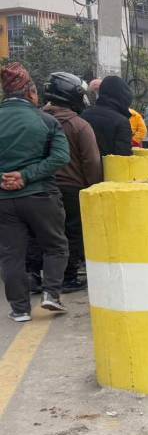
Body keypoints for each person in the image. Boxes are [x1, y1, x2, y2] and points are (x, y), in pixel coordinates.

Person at [0, 63, 70, 321]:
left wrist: (5, 179)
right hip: (41, 195)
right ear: (30, 92)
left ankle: (19, 310)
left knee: (11, 254)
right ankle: (51, 295)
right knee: (55, 245)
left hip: (4, 200)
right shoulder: (47, 121)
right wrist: (27, 175)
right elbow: (61, 157)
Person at [31, 72, 103, 293]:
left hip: (39, 186)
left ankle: (33, 275)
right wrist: (93, 188)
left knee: (39, 232)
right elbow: (91, 161)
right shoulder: (79, 126)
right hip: (72, 188)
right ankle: (68, 277)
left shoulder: (35, 120)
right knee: (71, 234)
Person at [82, 76, 135, 157]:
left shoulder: (84, 115)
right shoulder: (121, 121)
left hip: (85, 167)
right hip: (109, 168)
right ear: (123, 95)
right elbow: (123, 157)